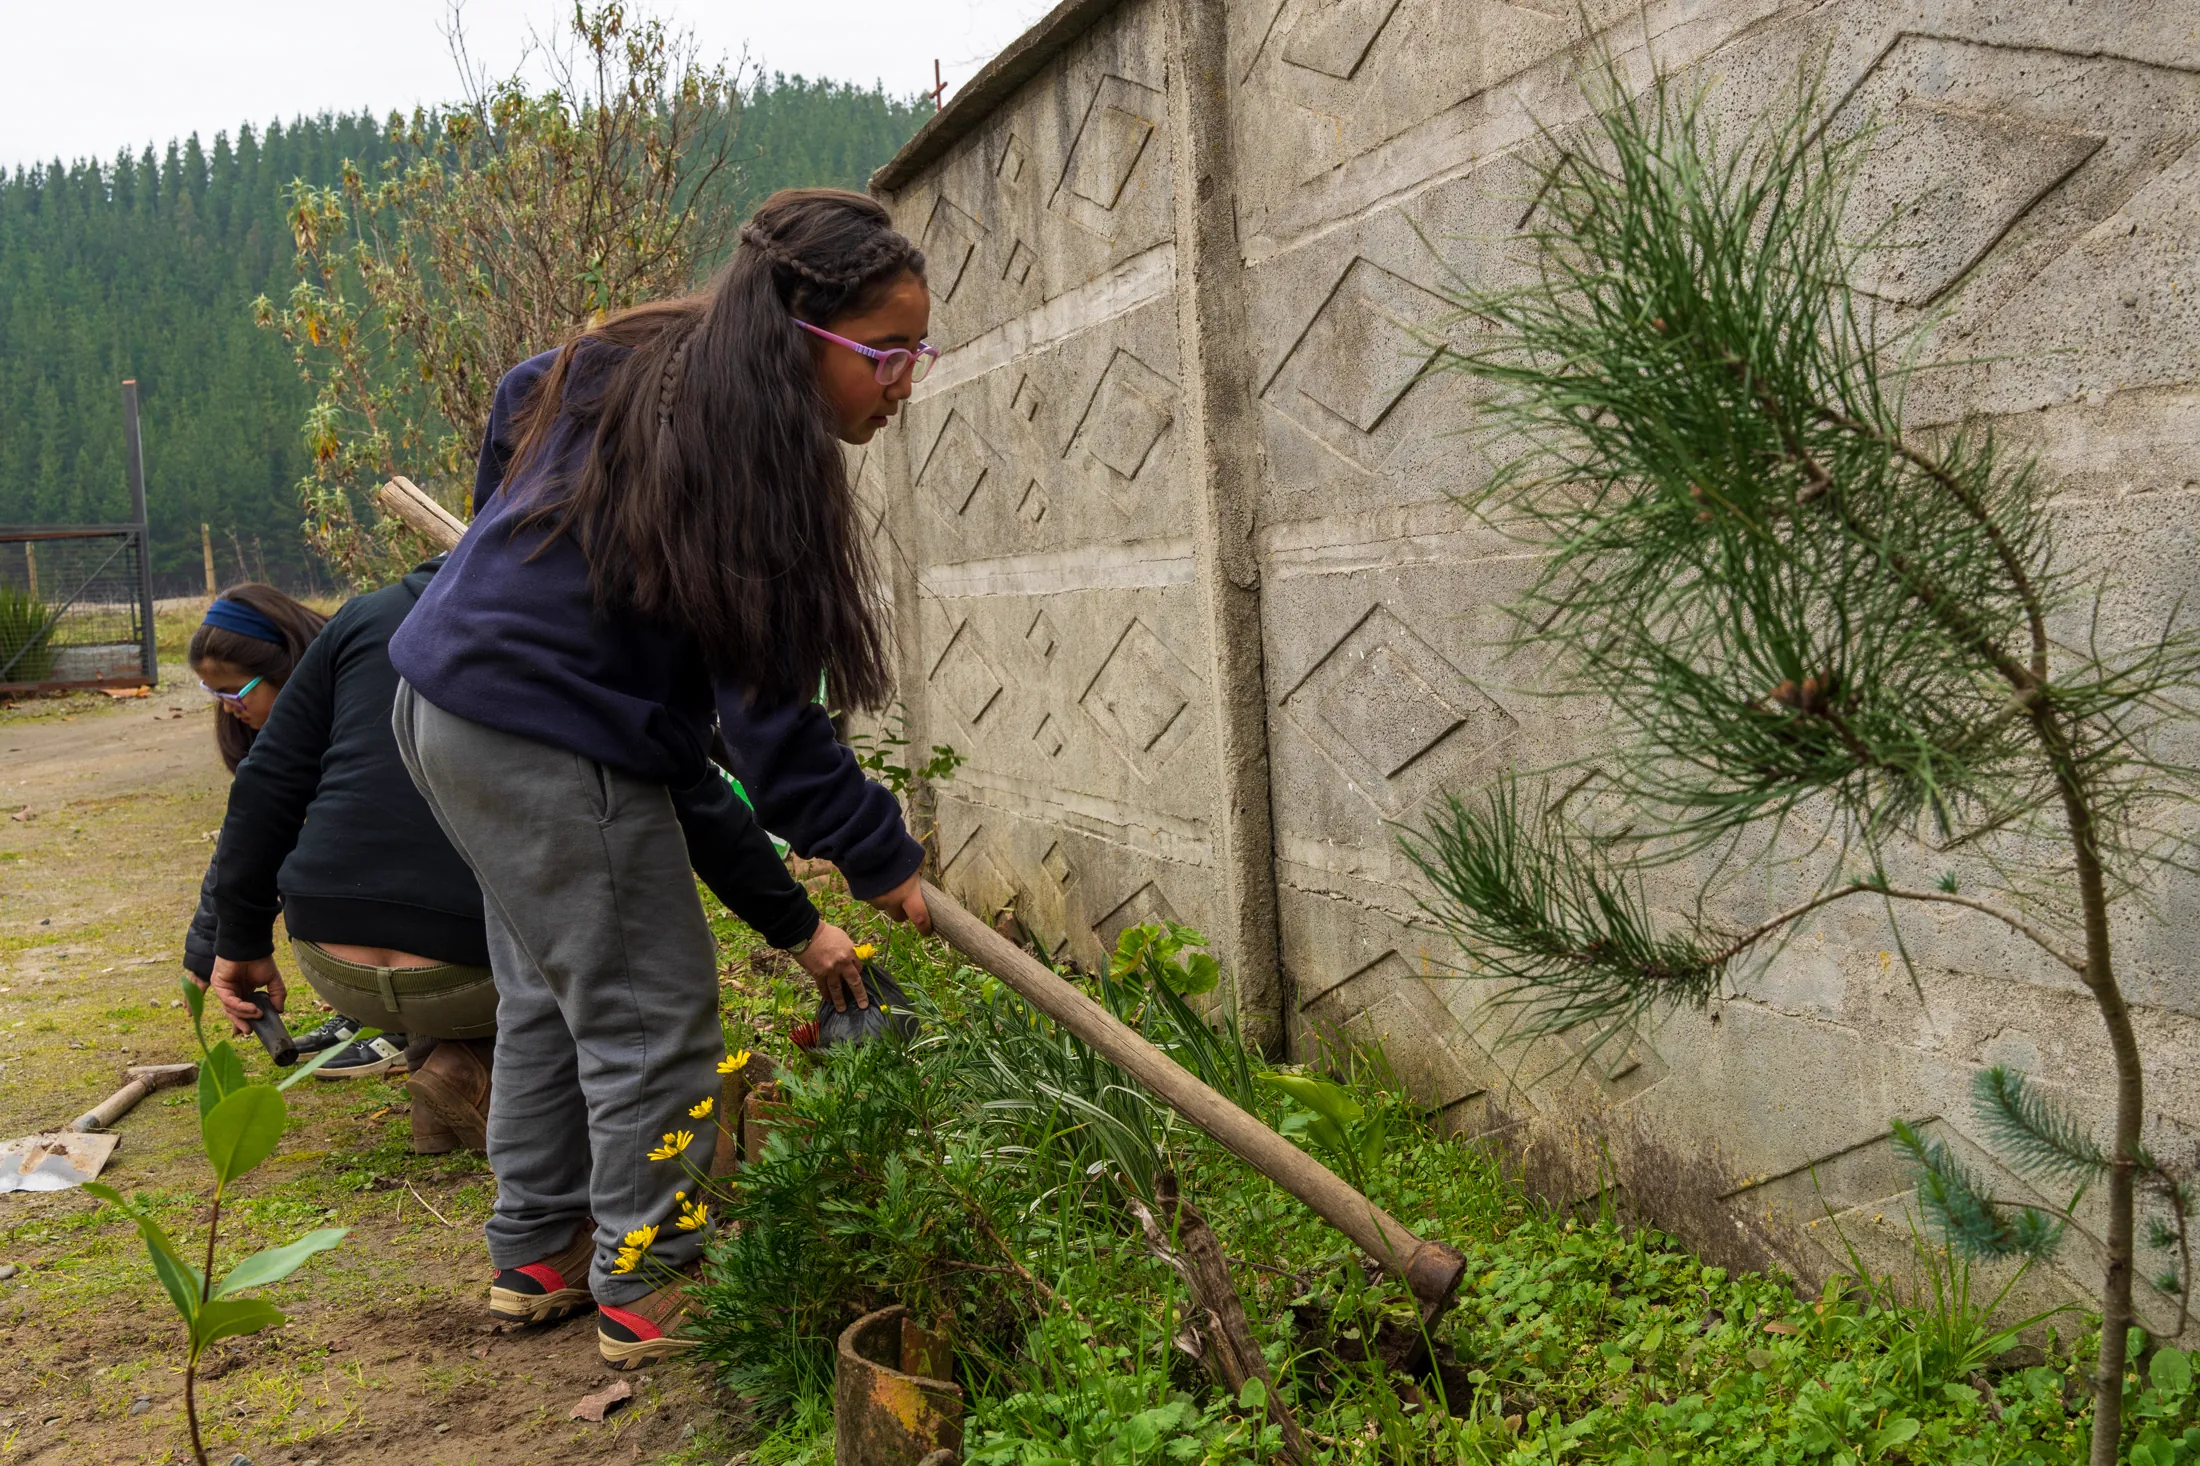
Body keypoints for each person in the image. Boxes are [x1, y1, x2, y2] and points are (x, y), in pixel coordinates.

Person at [378, 188, 934, 1371]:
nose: (902, 383)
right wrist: (881, 854)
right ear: (802, 333)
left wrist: (505, 544)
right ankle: (651, 1281)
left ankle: (539, 1248)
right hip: (541, 735)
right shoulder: (752, 454)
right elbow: (774, 728)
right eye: (885, 352)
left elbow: (520, 388)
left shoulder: (641, 362)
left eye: (915, 354)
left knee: (548, 993)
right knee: (651, 1020)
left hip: (444, 706)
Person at [205, 554, 861, 1157]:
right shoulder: (562, 626)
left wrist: (238, 939)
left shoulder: (360, 618)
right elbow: (696, 797)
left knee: (460, 873)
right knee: (589, 900)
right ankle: (489, 1076)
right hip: (468, 973)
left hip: (331, 960)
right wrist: (800, 929)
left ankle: (448, 1080)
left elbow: (266, 783)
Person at [183, 586, 399, 1078]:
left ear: (289, 670)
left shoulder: (364, 717)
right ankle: (362, 1010)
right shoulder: (271, 738)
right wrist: (207, 947)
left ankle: (406, 1023)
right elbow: (247, 839)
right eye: (214, 694)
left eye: (236, 692)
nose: (227, 707)